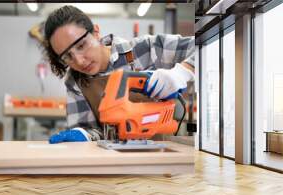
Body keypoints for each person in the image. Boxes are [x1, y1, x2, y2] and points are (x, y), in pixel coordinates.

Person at [43, 5, 195, 144]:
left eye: (81, 45)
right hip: (113, 166)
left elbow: (208, 41)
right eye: (67, 56)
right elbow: (95, 132)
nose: (79, 61)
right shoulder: (74, 80)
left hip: (160, 163)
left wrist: (182, 72)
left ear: (96, 32)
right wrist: (86, 134)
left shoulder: (147, 49)